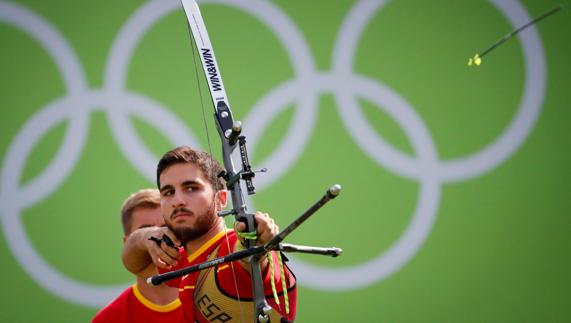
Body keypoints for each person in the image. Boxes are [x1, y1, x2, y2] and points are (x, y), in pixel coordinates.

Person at [122, 146, 297, 322]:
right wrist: (145, 237)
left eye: (191, 188)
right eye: (168, 192)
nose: (177, 201)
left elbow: (249, 257)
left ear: (220, 199)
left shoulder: (231, 248)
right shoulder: (180, 260)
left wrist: (256, 242)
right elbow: (133, 263)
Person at [92, 189, 184, 323]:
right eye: (145, 231)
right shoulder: (108, 319)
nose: (160, 237)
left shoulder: (212, 300)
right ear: (128, 243)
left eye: (166, 228)